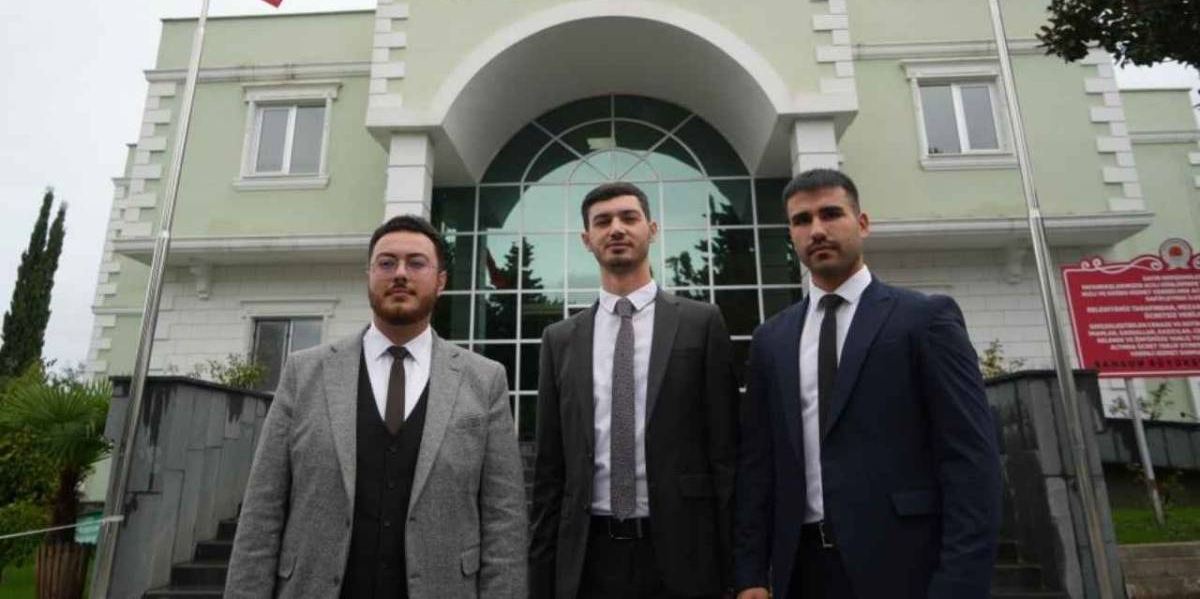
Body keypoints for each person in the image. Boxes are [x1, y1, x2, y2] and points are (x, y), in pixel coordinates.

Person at [225, 215, 527, 599]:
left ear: (441, 282)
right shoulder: (304, 372)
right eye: (386, 263)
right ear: (368, 276)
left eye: (416, 263)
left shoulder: (485, 380)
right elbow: (262, 508)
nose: (400, 273)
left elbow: (504, 519)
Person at [734, 169, 1001, 599]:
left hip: (906, 568)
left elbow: (970, 458)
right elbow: (758, 465)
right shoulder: (772, 339)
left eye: (830, 214)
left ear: (862, 223)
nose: (816, 230)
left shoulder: (924, 319)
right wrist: (749, 573)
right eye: (802, 220)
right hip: (800, 571)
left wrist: (960, 583)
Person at [530, 182, 739, 599]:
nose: (616, 229)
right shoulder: (560, 340)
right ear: (587, 239)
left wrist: (741, 569)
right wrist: (541, 579)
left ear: (652, 229)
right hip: (588, 560)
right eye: (602, 221)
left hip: (684, 556)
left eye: (629, 217)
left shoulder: (702, 323)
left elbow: (727, 455)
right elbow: (549, 472)